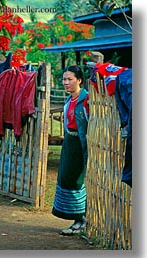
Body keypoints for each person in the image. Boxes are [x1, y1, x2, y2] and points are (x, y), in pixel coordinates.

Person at [52, 65, 90, 236]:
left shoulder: (87, 100)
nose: (65, 82)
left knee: (77, 181)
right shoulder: (70, 99)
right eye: (64, 79)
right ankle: (77, 218)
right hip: (69, 143)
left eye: (69, 79)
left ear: (79, 80)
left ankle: (80, 220)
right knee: (66, 178)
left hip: (81, 144)